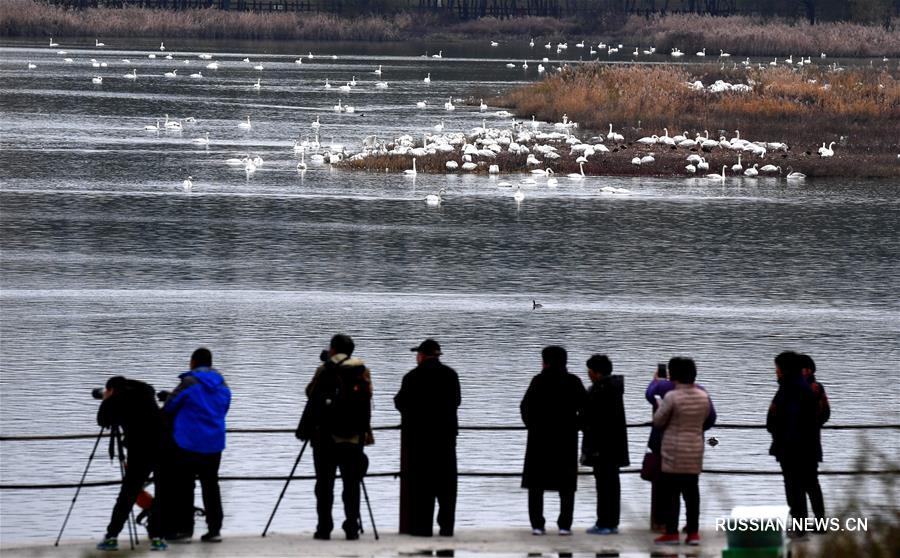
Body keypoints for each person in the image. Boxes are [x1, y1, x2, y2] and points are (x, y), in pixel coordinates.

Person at [297, 334, 372, 541]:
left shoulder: (325, 370)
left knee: (324, 485)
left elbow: (310, 392)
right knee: (352, 484)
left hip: (325, 438)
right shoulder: (362, 371)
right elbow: (368, 398)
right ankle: (351, 527)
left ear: (333, 350)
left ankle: (324, 528)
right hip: (355, 438)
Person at [162, 348, 231, 543]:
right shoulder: (222, 384)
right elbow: (223, 408)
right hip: (214, 443)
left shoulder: (188, 382)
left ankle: (184, 531)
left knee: (185, 486)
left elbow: (170, 407)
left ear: (193, 362)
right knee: (211, 486)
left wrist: (167, 397)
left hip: (188, 443)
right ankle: (214, 529)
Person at [394, 338, 461, 537]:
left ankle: (422, 528)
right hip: (445, 439)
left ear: (422, 356)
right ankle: (446, 527)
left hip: (419, 440)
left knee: (422, 487)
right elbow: (456, 401)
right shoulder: (450, 375)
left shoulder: (412, 377)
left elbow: (400, 403)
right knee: (447, 486)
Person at [95, 376, 168, 552]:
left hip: (140, 452)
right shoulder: (145, 391)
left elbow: (103, 421)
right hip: (164, 447)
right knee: (163, 492)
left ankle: (111, 537)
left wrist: (106, 401)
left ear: (111, 389)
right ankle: (158, 538)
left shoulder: (117, 399)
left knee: (127, 495)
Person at [520, 346, 587, 536]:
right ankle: (565, 525)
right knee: (566, 485)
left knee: (536, 485)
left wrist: (532, 426)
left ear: (545, 361)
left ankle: (537, 524)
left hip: (539, 439)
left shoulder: (538, 381)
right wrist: (576, 425)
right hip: (566, 439)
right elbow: (586, 408)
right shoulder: (573, 381)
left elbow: (525, 407)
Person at [645, 362, 716, 531]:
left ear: (673, 374)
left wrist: (655, 381)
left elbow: (652, 402)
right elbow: (711, 418)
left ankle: (668, 529)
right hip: (694, 448)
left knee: (670, 491)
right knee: (692, 491)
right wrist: (696, 428)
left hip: (671, 449)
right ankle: (692, 530)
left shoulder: (666, 389)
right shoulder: (702, 392)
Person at [767, 351, 821, 536]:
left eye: (778, 368)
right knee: (800, 486)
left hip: (793, 449)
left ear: (785, 369)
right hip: (803, 447)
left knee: (794, 488)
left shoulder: (791, 390)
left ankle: (799, 527)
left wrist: (782, 440)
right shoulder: (801, 388)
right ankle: (802, 524)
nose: (776, 372)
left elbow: (785, 419)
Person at [580, 354, 629, 535]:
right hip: (615, 445)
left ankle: (603, 522)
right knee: (612, 484)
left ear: (597, 372)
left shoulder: (598, 391)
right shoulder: (614, 388)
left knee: (603, 486)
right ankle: (612, 522)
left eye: (590, 372)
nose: (589, 375)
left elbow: (587, 417)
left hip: (600, 446)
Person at [799, 353, 829, 523]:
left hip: (803, 444)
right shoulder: (818, 388)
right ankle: (819, 521)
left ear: (809, 370)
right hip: (812, 442)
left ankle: (806, 522)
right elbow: (826, 413)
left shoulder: (813, 388)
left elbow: (825, 412)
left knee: (805, 485)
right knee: (811, 484)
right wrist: (815, 425)